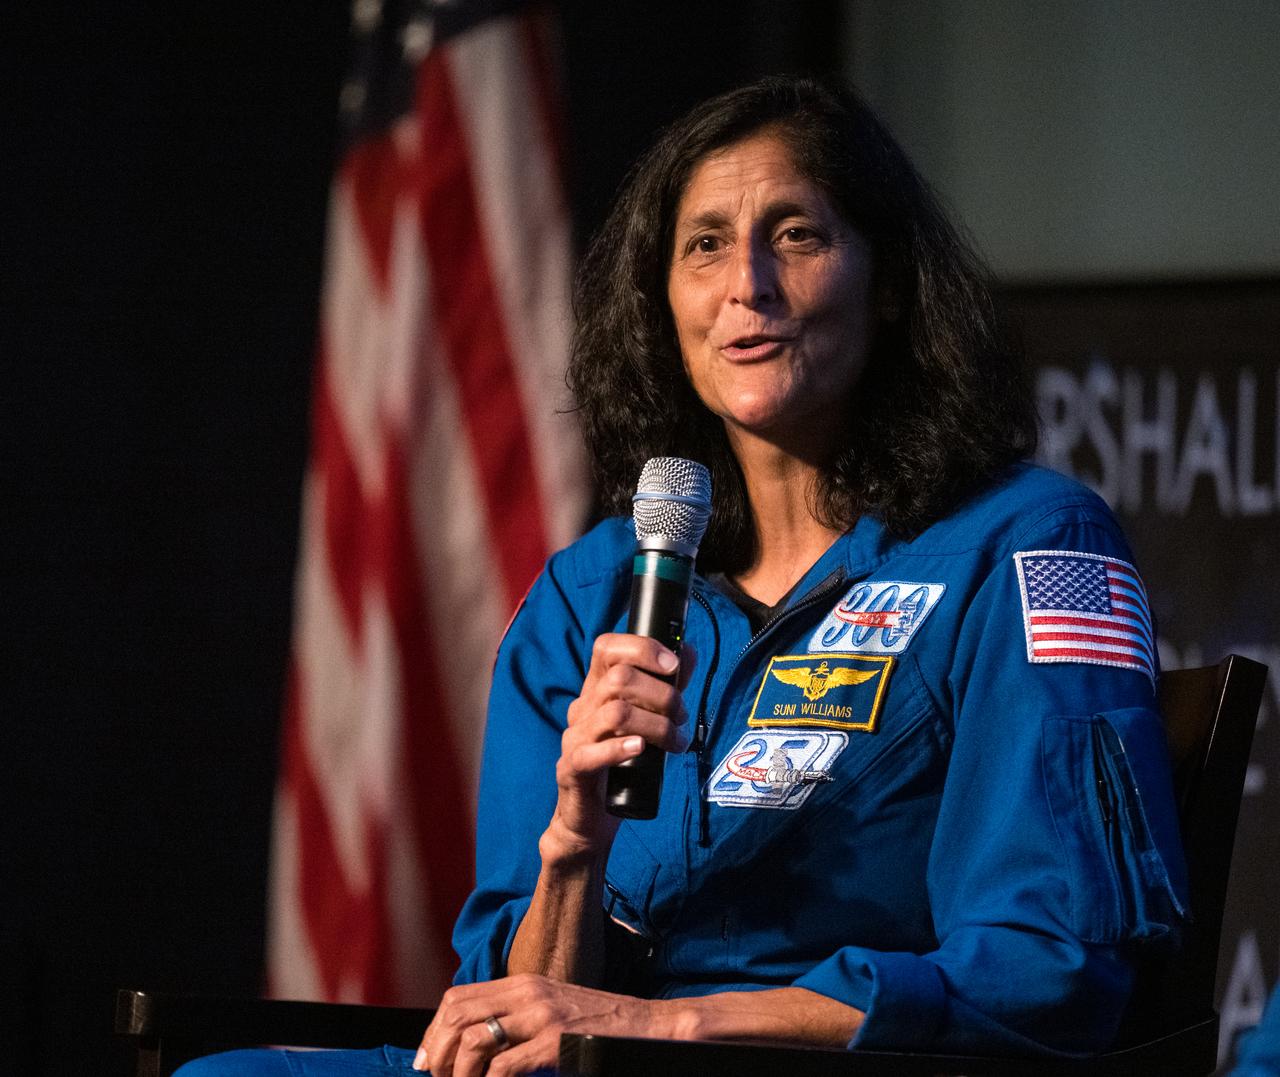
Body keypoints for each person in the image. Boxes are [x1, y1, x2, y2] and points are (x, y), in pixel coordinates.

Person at [177, 75, 1187, 1077]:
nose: (747, 282)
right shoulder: (589, 593)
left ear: (887, 283)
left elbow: (1049, 968)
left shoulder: (1027, 543)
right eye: (704, 244)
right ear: (660, 301)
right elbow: (512, 1014)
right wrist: (575, 843)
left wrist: (670, 1026)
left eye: (796, 234)